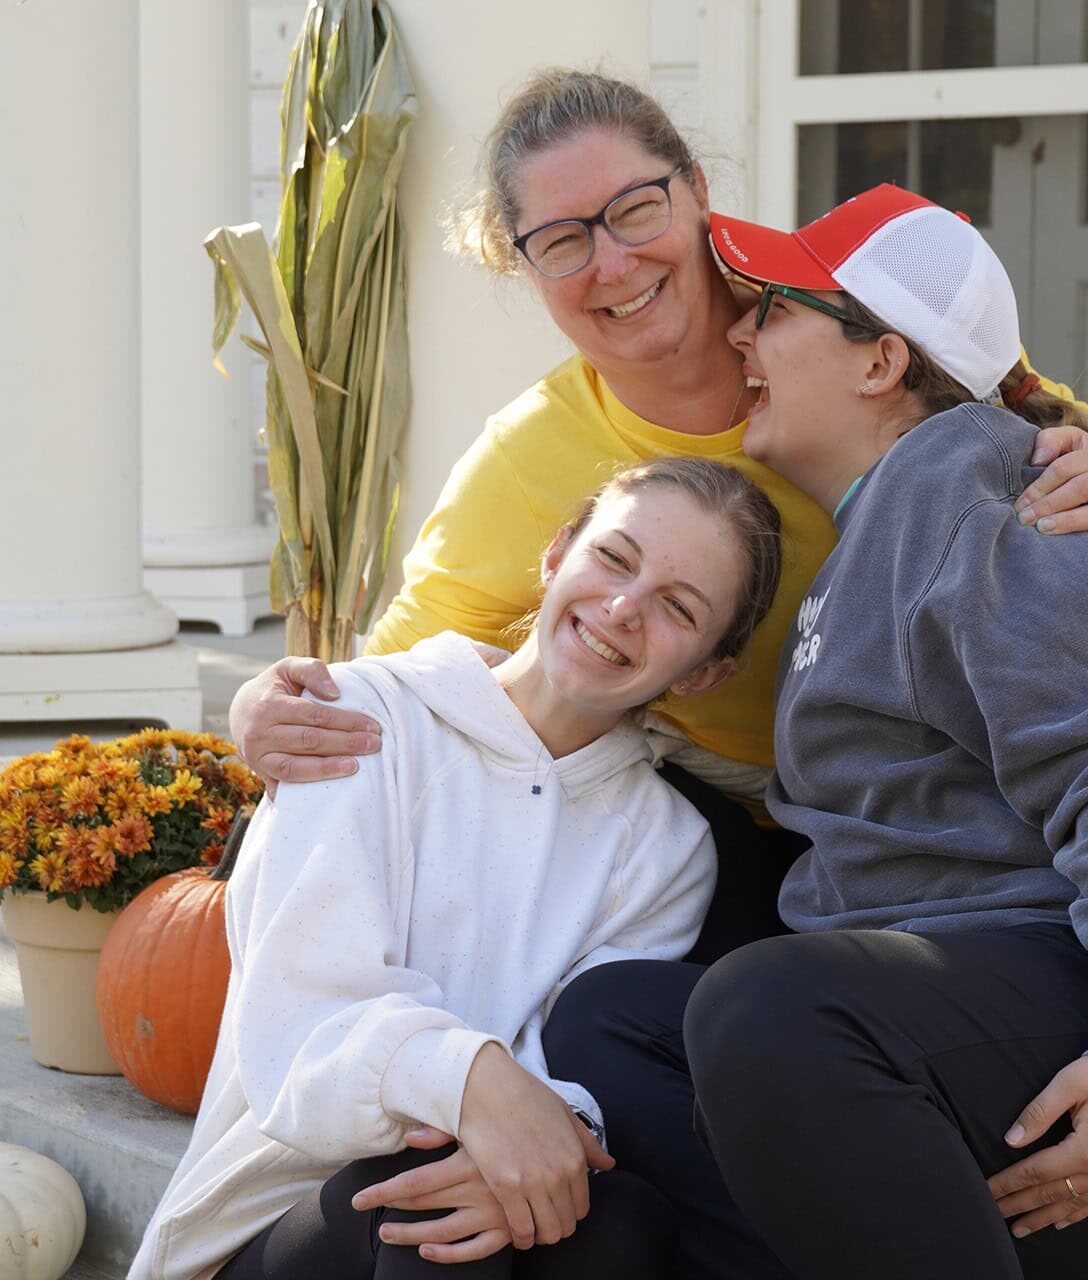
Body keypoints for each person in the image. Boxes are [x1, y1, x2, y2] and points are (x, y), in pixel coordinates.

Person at [230, 69, 1088, 968]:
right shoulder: (528, 454)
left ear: (695, 190)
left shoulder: (836, 321)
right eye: (562, 241)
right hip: (738, 822)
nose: (612, 263)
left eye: (634, 210)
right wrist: (264, 710)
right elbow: (389, 679)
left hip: (962, 813)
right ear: (523, 266)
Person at [646, 186, 1088, 1279]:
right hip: (1007, 1024)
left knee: (766, 1008)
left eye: (775, 310)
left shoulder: (974, 486)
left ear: (880, 361)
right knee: (614, 1019)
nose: (740, 335)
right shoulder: (874, 532)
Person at [126, 458, 784, 1280]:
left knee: (618, 1223)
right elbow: (301, 1024)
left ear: (705, 672)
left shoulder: (667, 845)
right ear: (557, 553)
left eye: (679, 608)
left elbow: (580, 1069)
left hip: (494, 1184)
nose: (624, 608)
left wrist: (528, 1137)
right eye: (614, 558)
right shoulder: (357, 722)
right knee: (435, 1216)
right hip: (276, 1215)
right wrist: (468, 1081)